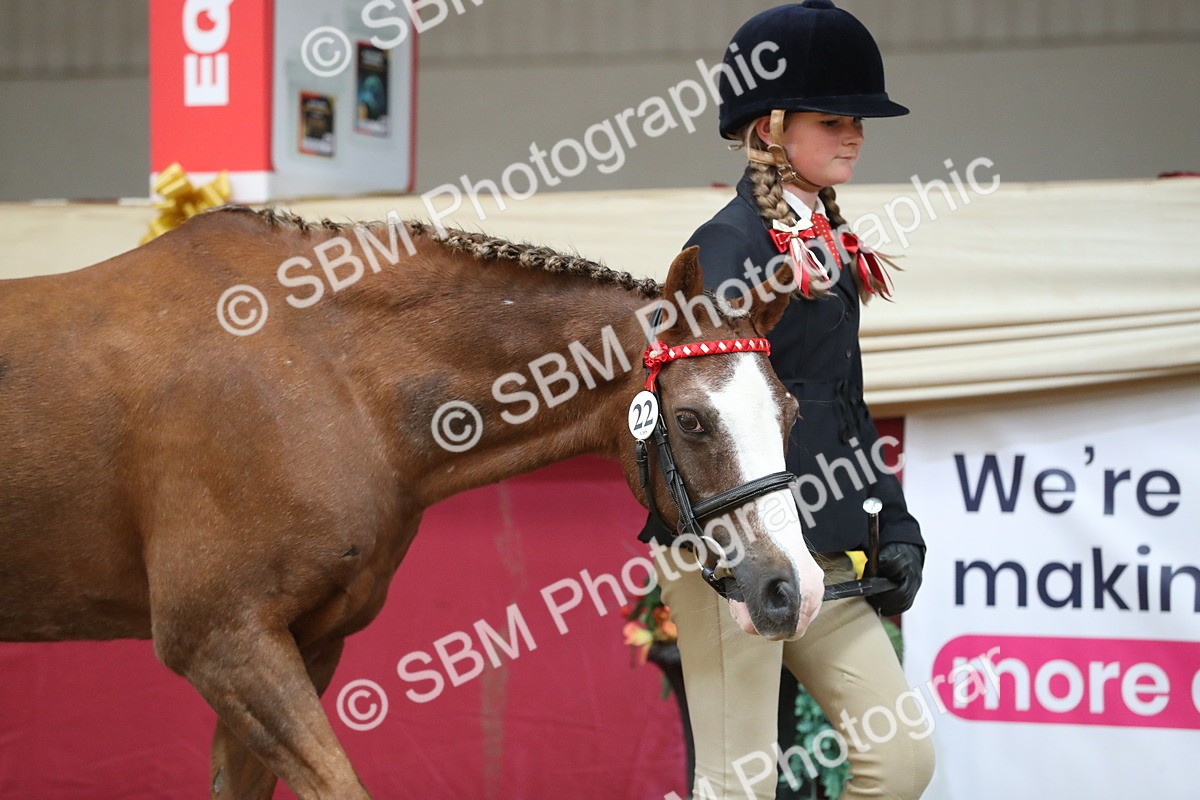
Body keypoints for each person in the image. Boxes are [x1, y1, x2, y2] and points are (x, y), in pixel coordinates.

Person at [639, 2, 935, 798]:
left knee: (902, 759)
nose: (855, 135)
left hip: (824, 543)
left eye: (858, 121)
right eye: (834, 119)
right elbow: (720, 413)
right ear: (770, 128)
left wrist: (894, 522)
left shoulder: (829, 245)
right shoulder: (726, 248)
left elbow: (845, 400)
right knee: (739, 783)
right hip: (742, 543)